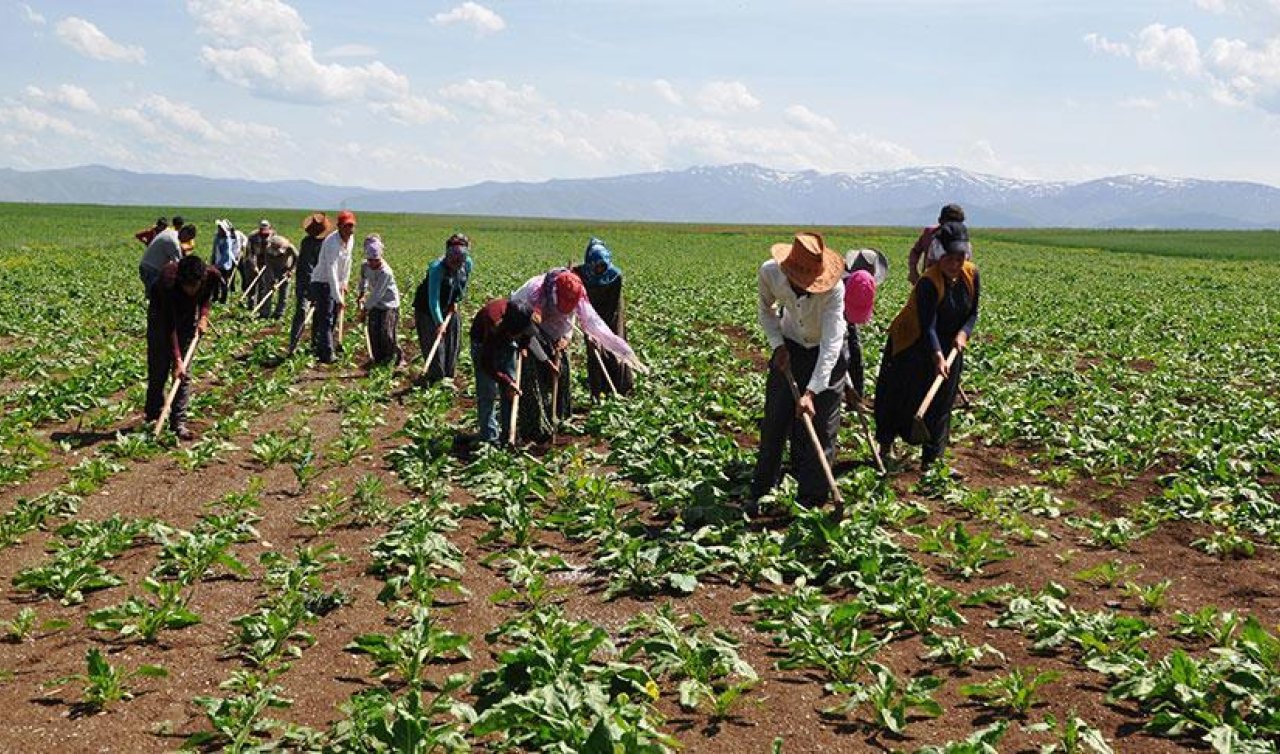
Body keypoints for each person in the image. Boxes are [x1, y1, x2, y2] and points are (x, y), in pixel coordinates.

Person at [748, 232, 848, 513]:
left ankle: (811, 502)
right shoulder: (770, 273)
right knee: (775, 420)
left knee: (822, 428)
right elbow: (765, 311)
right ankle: (761, 489)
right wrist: (777, 345)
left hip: (825, 355)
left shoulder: (835, 290)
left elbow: (831, 344)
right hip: (790, 346)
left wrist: (812, 392)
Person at [875, 221, 980, 469]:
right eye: (949, 259)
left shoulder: (971, 275)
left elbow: (973, 313)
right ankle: (885, 446)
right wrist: (937, 356)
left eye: (959, 258)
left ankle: (932, 461)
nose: (955, 265)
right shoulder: (928, 282)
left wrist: (964, 334)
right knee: (899, 395)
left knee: (943, 399)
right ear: (939, 255)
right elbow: (927, 325)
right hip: (913, 341)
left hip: (951, 343)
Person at [510, 268, 645, 442]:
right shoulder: (532, 293)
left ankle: (560, 418)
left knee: (562, 372)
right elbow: (526, 334)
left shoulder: (577, 293)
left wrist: (566, 338)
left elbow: (572, 317)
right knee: (534, 375)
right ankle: (534, 426)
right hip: (528, 330)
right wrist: (545, 360)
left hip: (556, 330)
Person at [144, 254, 220, 440]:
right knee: (159, 369)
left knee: (183, 375)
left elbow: (206, 298)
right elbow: (169, 325)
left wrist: (203, 316)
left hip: (187, 320)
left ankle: (178, 422)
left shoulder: (211, 276)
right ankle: (154, 416)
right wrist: (177, 359)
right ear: (180, 280)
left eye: (194, 286)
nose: (191, 290)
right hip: (160, 319)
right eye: (187, 286)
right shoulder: (167, 282)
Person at [469, 298, 547, 445]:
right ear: (512, 331)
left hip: (507, 342)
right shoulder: (492, 326)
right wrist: (506, 381)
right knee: (488, 393)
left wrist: (523, 346)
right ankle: (489, 438)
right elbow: (487, 365)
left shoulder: (524, 315)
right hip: (482, 345)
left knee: (511, 392)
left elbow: (527, 334)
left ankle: (508, 434)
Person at [572, 237, 634, 398]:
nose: (599, 269)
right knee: (594, 352)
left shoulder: (615, 276)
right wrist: (591, 328)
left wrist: (601, 330)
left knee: (614, 347)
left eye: (602, 266)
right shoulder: (580, 273)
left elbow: (612, 305)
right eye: (596, 266)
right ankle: (597, 392)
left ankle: (620, 389)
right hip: (589, 314)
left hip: (611, 314)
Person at [413, 233, 472, 385]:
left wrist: (456, 300)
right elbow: (433, 299)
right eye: (453, 261)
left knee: (453, 342)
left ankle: (449, 377)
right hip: (427, 309)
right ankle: (435, 379)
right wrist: (439, 322)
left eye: (459, 261)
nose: (456, 264)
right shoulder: (436, 268)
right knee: (435, 343)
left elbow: (463, 284)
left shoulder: (467, 264)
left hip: (449, 305)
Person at [841, 248, 888, 403]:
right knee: (840, 354)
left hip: (848, 313)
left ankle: (856, 397)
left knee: (855, 352)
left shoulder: (862, 281)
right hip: (831, 312)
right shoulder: (837, 281)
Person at [310, 210, 356, 363]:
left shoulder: (350, 240)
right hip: (322, 282)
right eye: (346, 226)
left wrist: (345, 283)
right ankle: (327, 354)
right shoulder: (331, 242)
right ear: (339, 226)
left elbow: (348, 263)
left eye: (351, 226)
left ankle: (318, 345)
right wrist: (337, 297)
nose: (350, 230)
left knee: (328, 316)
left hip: (335, 282)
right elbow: (332, 270)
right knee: (327, 317)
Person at [357, 234, 402, 366]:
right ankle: (378, 360)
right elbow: (363, 279)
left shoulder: (385, 272)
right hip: (374, 304)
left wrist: (364, 310)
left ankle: (396, 360)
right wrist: (361, 293)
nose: (372, 263)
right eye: (370, 260)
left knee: (387, 333)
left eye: (375, 260)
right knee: (373, 331)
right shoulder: (365, 266)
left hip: (389, 304)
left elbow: (377, 294)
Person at [288, 212, 329, 356]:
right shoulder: (307, 243)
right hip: (305, 283)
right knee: (302, 311)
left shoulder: (326, 243)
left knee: (319, 314)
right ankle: (293, 345)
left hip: (321, 283)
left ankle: (316, 344)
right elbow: (307, 267)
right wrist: (311, 289)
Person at [907, 204, 965, 285]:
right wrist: (913, 271)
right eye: (949, 222)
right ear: (940, 221)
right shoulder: (929, 234)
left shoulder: (963, 241)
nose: (952, 227)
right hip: (929, 282)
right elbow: (915, 251)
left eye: (956, 223)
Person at [140, 224, 197, 299]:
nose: (187, 241)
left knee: (153, 294)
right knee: (156, 296)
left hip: (145, 266)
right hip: (151, 270)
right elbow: (179, 265)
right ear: (185, 234)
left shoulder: (169, 232)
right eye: (188, 239)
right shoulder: (174, 242)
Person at [259, 234, 297, 319]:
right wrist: (272, 280)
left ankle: (279, 313)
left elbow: (297, 258)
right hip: (272, 270)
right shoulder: (268, 251)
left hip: (285, 271)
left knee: (284, 293)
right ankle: (265, 313)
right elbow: (268, 266)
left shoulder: (290, 248)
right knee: (267, 291)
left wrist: (291, 270)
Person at [241, 219, 274, 311]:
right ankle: (251, 305)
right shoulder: (252, 237)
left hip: (267, 263)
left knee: (263, 285)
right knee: (252, 284)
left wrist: (268, 265)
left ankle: (260, 307)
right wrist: (254, 267)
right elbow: (250, 254)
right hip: (253, 262)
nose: (264, 234)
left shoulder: (273, 236)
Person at [210, 220, 241, 304]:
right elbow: (215, 251)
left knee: (223, 282)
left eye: (220, 228)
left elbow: (226, 255)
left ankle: (223, 300)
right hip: (216, 263)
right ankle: (215, 297)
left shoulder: (227, 240)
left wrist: (218, 265)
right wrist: (212, 261)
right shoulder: (217, 237)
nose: (219, 230)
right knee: (215, 282)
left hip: (224, 266)